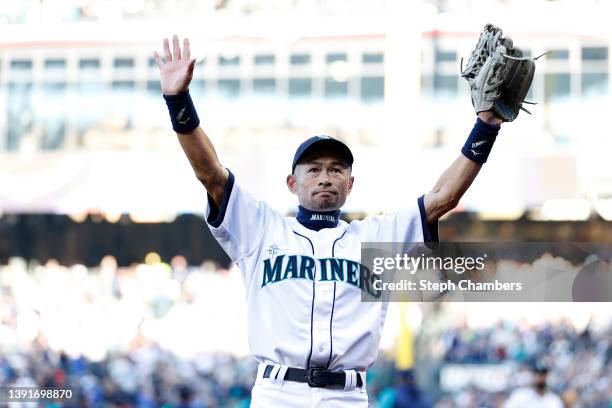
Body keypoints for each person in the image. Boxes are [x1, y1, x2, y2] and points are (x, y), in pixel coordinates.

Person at [154, 35, 504, 407]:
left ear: (350, 184)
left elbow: (443, 198)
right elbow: (211, 173)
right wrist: (179, 102)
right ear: (292, 182)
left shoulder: (377, 236)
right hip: (278, 392)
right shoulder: (260, 228)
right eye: (314, 169)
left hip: (347, 395)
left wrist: (486, 127)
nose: (325, 177)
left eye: (336, 169)